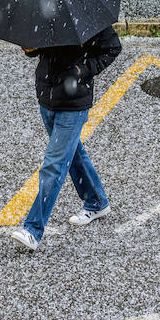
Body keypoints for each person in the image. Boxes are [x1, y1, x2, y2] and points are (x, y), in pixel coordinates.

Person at [11, 25, 122, 251]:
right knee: (74, 153)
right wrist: (29, 48)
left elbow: (112, 48)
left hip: (74, 103)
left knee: (54, 165)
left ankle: (32, 230)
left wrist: (83, 70)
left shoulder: (86, 16)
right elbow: (39, 51)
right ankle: (97, 201)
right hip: (47, 98)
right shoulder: (44, 12)